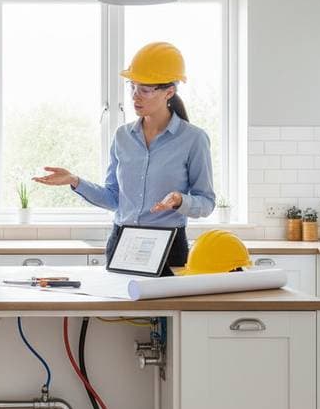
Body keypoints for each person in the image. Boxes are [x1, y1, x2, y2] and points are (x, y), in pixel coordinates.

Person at [33, 42, 215, 274]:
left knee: (164, 311)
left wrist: (180, 200)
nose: (135, 96)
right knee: (118, 309)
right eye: (133, 87)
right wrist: (74, 181)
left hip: (168, 245)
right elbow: (113, 198)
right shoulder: (122, 136)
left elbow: (206, 203)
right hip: (122, 240)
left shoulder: (193, 139)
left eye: (145, 90)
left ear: (169, 92)